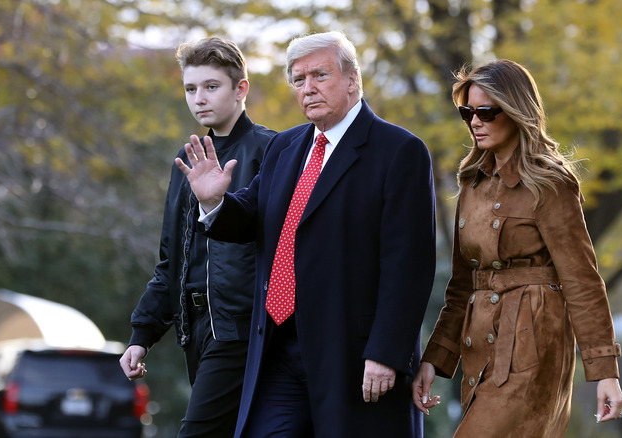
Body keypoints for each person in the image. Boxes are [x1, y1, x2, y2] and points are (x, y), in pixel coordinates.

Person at [175, 31, 436, 438]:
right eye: (298, 79)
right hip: (279, 349)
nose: (308, 88)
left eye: (320, 75)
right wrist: (215, 203)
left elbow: (410, 266)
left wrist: (386, 353)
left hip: (353, 354)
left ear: (352, 79)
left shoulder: (399, 150)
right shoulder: (285, 147)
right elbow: (251, 217)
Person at [411, 60, 622, 437]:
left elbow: (582, 280)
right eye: (467, 112)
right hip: (480, 347)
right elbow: (461, 286)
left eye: (486, 112)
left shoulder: (550, 182)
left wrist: (604, 371)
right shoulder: (471, 184)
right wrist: (435, 358)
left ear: (515, 111)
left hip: (533, 345)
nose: (474, 122)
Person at [119, 36, 276, 437]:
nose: (199, 98)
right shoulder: (184, 162)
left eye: (211, 86)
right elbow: (171, 260)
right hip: (196, 329)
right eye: (191, 88)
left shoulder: (271, 150)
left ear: (241, 88)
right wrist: (142, 334)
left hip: (243, 327)